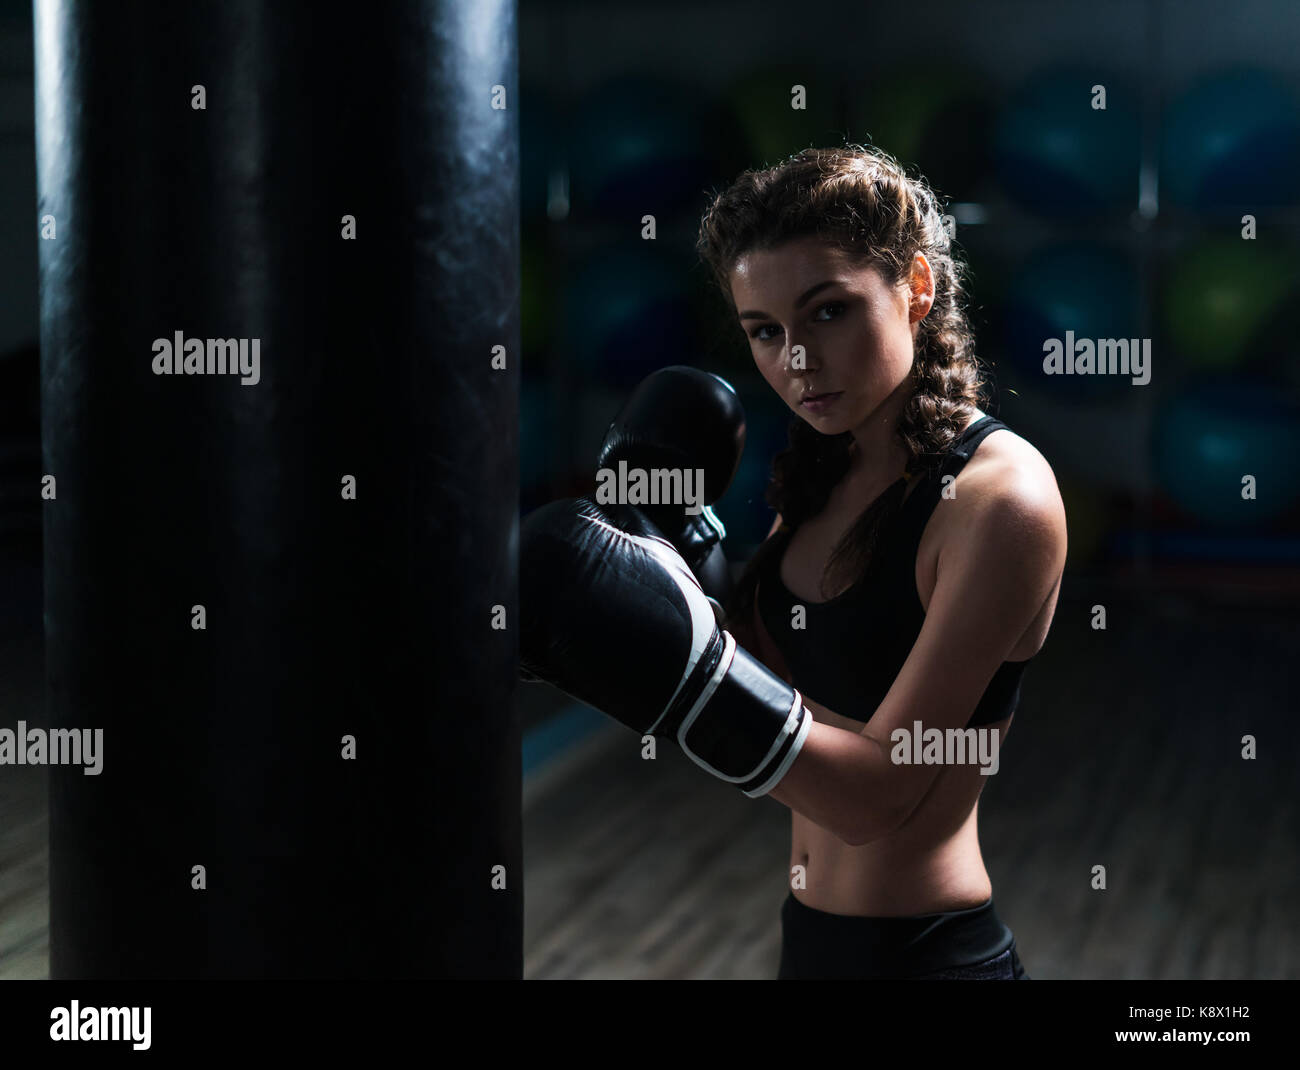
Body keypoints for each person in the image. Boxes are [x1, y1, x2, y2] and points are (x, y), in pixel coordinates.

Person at [693, 144, 1068, 979]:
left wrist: (684, 677)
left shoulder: (999, 499)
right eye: (766, 331)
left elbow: (876, 795)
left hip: (928, 960)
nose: (796, 360)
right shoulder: (823, 471)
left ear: (917, 290)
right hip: (807, 944)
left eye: (829, 311)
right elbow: (783, 713)